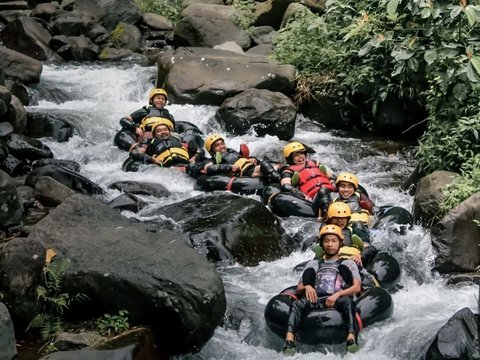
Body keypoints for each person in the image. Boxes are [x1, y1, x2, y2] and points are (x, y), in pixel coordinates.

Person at [282, 224, 361, 355]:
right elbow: (299, 287)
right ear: (321, 243)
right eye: (326, 241)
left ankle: (351, 337)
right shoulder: (313, 264)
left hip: (338, 300)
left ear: (340, 243)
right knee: (297, 304)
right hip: (316, 300)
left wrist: (338, 295)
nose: (330, 244)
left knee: (348, 302)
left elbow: (356, 287)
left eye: (334, 241)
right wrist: (307, 286)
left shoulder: (348, 263)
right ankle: (290, 339)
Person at [314, 202, 378, 268]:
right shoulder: (324, 232)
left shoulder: (355, 229)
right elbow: (317, 255)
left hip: (351, 263)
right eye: (336, 218)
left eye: (343, 218)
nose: (339, 221)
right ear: (330, 219)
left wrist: (360, 256)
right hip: (329, 265)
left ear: (348, 219)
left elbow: (370, 248)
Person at [280, 142, 335, 217]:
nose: (300, 156)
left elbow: (333, 176)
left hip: (331, 192)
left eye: (302, 153)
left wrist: (333, 182)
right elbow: (286, 185)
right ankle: (327, 215)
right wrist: (301, 194)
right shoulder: (289, 171)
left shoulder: (315, 163)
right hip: (313, 198)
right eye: (296, 155)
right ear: (290, 158)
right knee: (323, 190)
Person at [198, 134, 281, 182]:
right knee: (265, 165)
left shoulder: (231, 152)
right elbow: (209, 169)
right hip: (244, 173)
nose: (221, 146)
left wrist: (252, 160)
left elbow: (241, 160)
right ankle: (278, 179)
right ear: (212, 150)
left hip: (251, 167)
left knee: (278, 167)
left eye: (222, 143)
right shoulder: (212, 160)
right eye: (217, 145)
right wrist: (230, 167)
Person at [127, 118, 191, 169]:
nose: (163, 132)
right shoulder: (149, 142)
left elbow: (193, 151)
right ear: (154, 134)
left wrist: (194, 159)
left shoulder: (178, 139)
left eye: (165, 130)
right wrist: (152, 159)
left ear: (170, 131)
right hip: (165, 168)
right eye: (159, 131)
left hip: (185, 165)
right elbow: (135, 152)